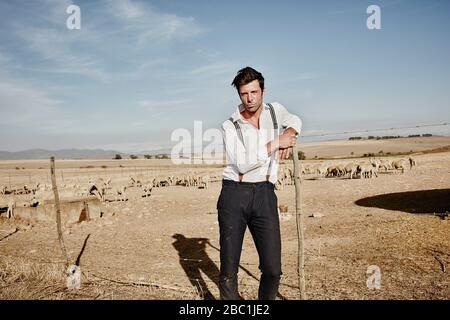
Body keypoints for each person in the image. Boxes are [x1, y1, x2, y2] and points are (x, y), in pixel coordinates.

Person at [217, 66, 302, 300]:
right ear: (239, 95)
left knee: (273, 269)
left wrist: (291, 133)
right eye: (244, 94)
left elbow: (295, 120)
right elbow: (243, 163)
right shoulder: (229, 125)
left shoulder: (275, 111)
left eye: (254, 92)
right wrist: (277, 142)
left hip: (265, 193)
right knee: (229, 268)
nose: (250, 98)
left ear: (263, 90)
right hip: (235, 193)